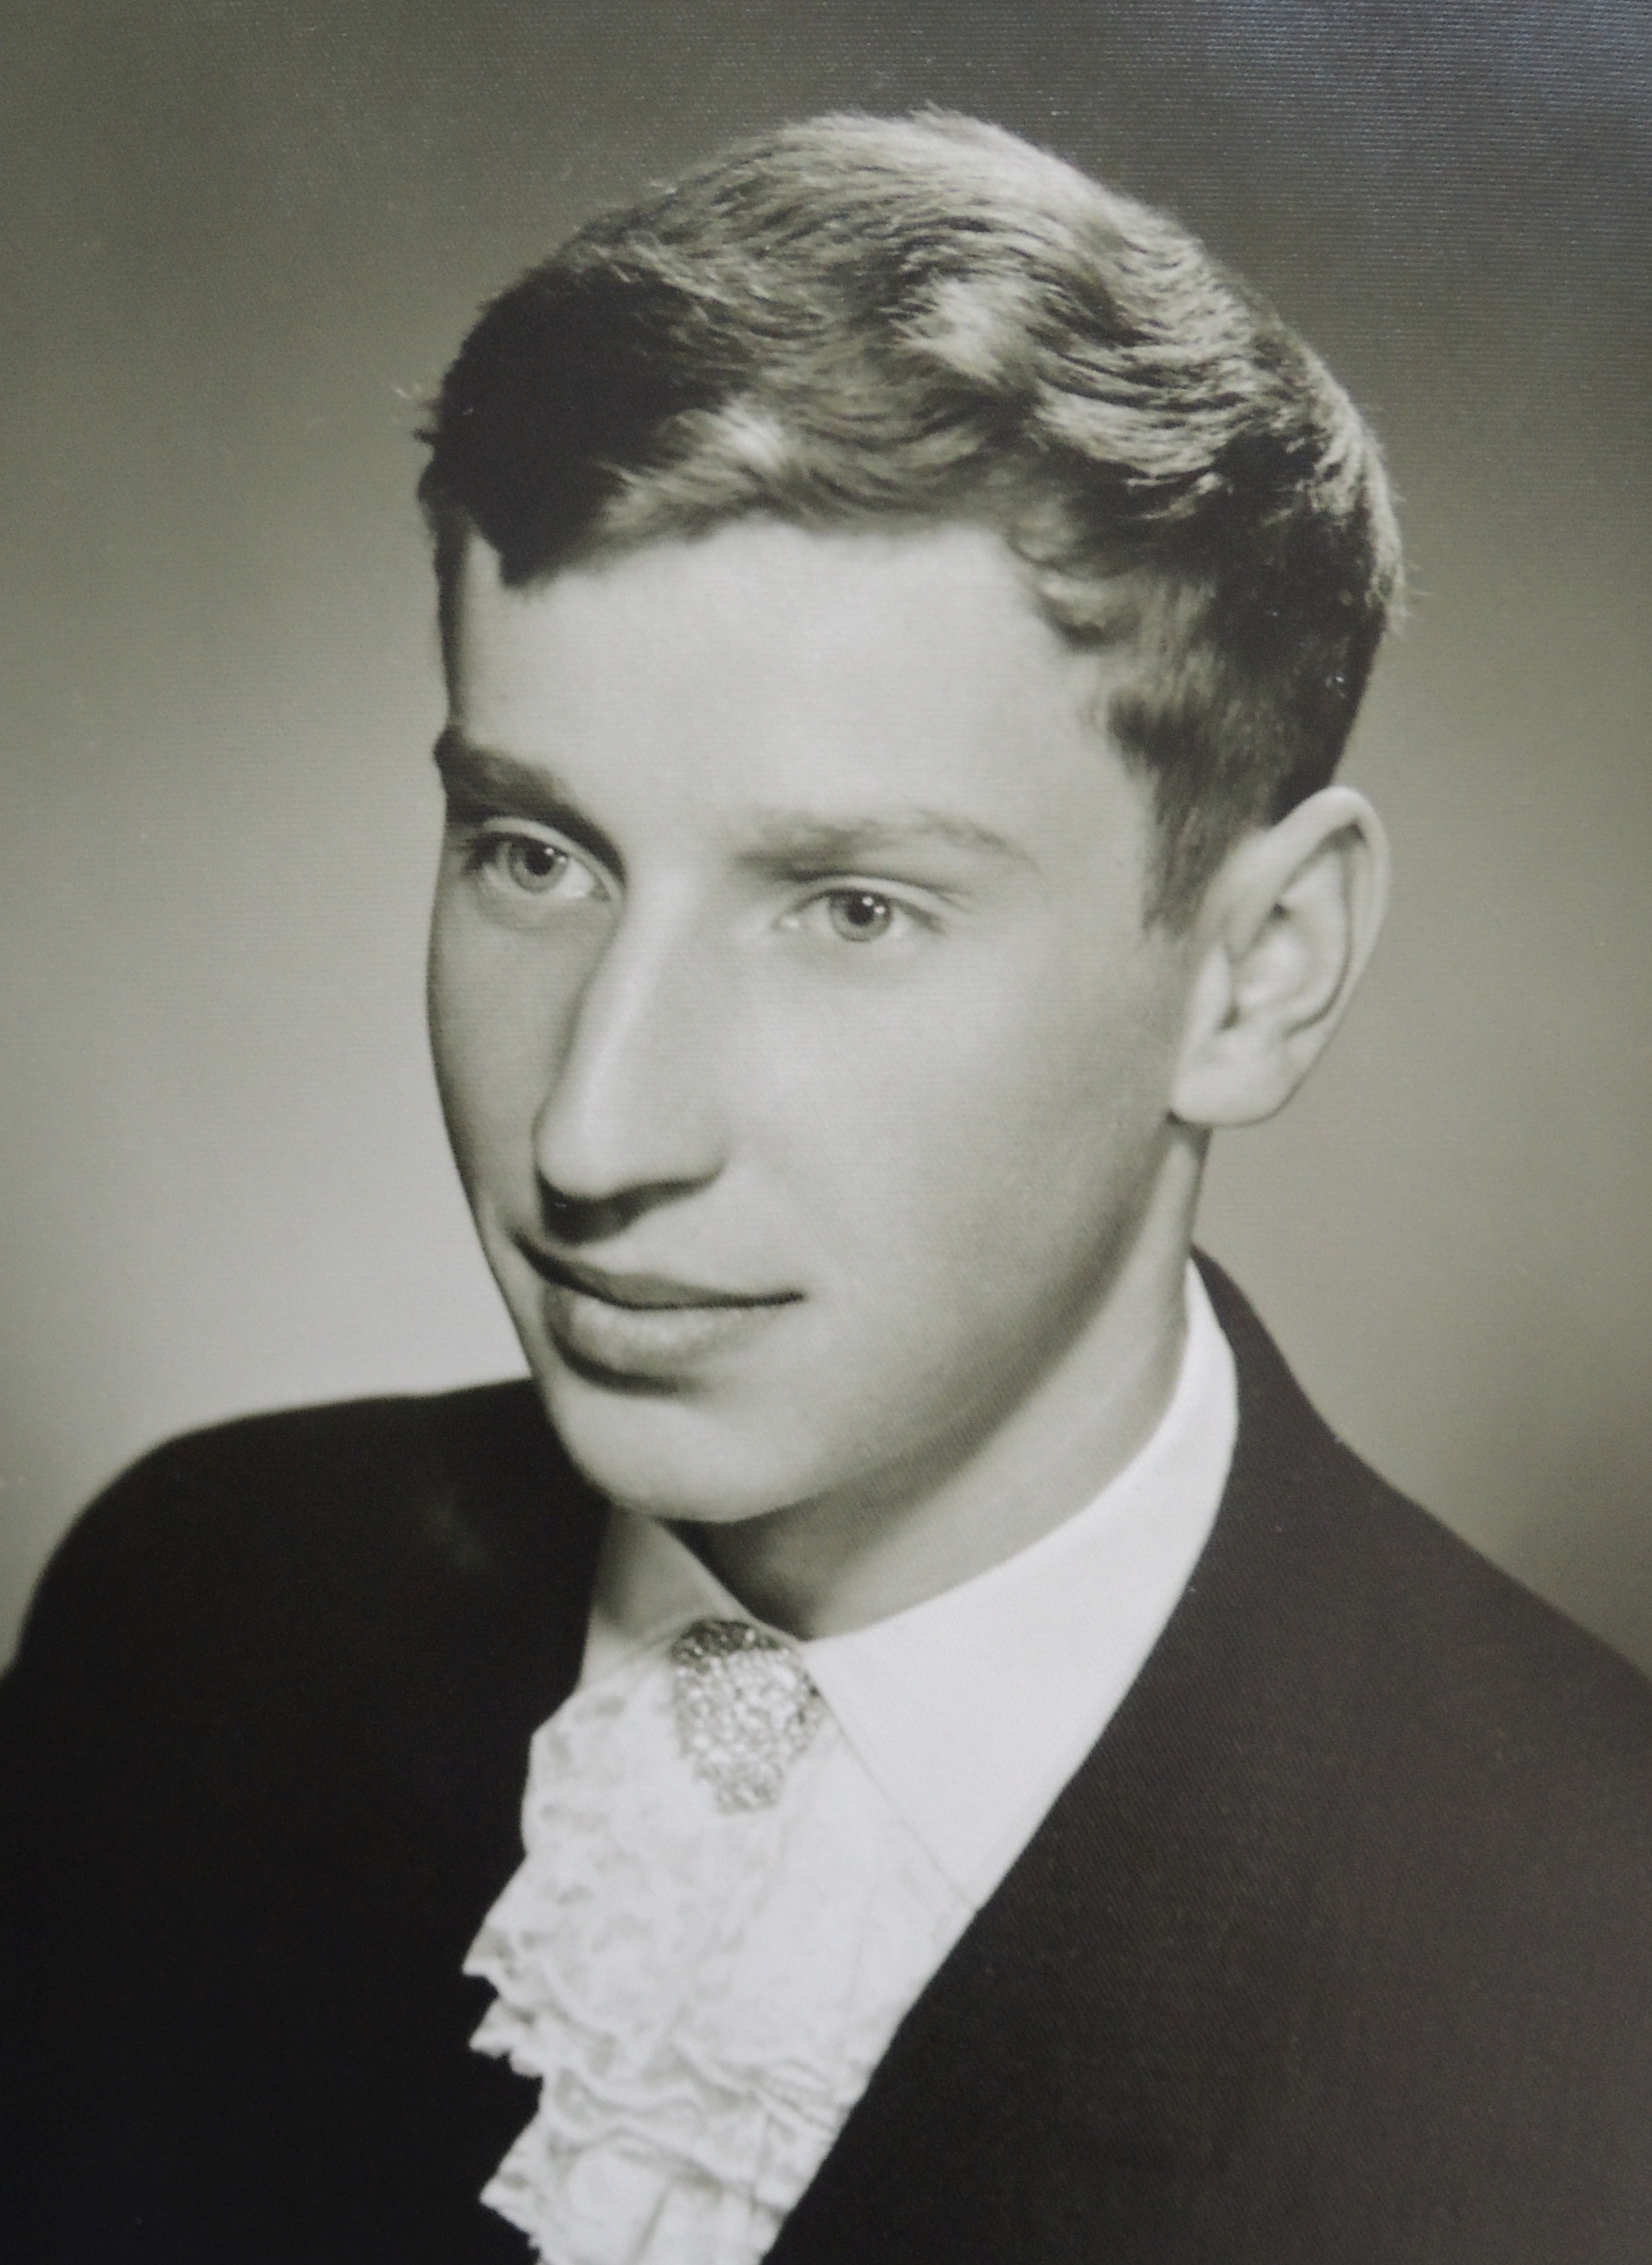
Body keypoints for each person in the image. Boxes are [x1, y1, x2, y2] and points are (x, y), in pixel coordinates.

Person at [3, 110, 1649, 2265]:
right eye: (532, 855)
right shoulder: (187, 1617)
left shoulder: (1592, 1964)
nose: (590, 1135)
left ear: (1256, 973)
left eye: (852, 908)